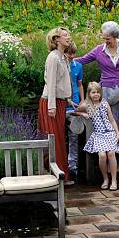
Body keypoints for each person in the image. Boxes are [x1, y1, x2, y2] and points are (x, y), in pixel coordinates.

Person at [38, 27, 73, 184]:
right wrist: (51, 106)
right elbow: (51, 83)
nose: (69, 37)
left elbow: (62, 83)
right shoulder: (53, 57)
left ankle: (62, 176)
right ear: (56, 39)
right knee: (53, 139)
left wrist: (67, 100)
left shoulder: (63, 57)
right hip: (50, 104)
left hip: (60, 102)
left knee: (59, 139)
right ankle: (55, 177)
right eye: (65, 35)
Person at [74, 21, 119, 103]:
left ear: (115, 36)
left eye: (108, 39)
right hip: (107, 88)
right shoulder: (98, 50)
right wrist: (66, 59)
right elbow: (83, 60)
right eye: (104, 38)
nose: (105, 41)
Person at [82, 82, 119, 190]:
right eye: (93, 92)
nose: (96, 94)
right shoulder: (87, 105)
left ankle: (114, 180)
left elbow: (112, 120)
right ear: (89, 94)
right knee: (102, 155)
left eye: (98, 92)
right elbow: (75, 110)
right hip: (98, 135)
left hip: (110, 133)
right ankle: (105, 179)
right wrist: (83, 114)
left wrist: (117, 134)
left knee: (111, 153)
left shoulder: (104, 103)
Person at [65, 42, 84, 183]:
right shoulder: (61, 65)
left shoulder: (78, 66)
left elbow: (79, 84)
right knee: (59, 137)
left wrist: (83, 101)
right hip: (62, 105)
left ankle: (73, 167)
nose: (72, 56)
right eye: (69, 53)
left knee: (74, 136)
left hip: (75, 106)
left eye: (73, 53)